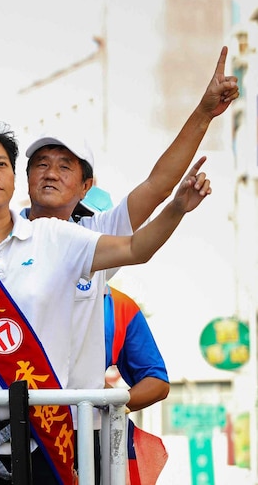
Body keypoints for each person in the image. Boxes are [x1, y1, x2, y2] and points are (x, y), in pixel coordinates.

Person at [0, 117, 211, 485]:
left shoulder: (61, 237)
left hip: (58, 433)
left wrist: (176, 207)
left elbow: (138, 240)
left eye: (0, 164)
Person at [22, 46, 238, 403]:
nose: (50, 174)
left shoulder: (94, 237)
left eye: (64, 166)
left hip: (72, 428)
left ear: (86, 186)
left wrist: (204, 113)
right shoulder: (0, 239)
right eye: (41, 164)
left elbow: (157, 186)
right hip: (5, 420)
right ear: (27, 177)